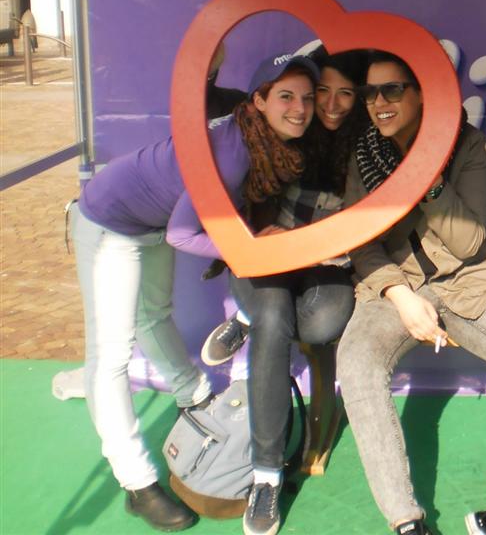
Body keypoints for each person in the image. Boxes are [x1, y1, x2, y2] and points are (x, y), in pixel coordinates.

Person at [70, 51, 318, 532]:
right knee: (111, 353)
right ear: (259, 101)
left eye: (307, 98)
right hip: (109, 221)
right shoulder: (234, 152)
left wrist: (251, 239)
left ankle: (194, 396)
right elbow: (183, 235)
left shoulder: (257, 136)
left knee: (154, 315)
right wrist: (251, 248)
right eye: (286, 96)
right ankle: (136, 483)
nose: (300, 108)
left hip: (148, 220)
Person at [336, 51, 486, 535]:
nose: (379, 102)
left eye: (392, 89)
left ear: (422, 93)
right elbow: (361, 242)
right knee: (356, 362)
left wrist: (426, 179)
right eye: (370, 93)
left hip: (470, 279)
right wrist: (399, 295)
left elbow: (469, 243)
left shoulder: (465, 143)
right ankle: (405, 521)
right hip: (396, 284)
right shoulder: (364, 155)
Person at [180, 49, 368, 535]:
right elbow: (209, 101)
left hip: (325, 264)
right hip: (267, 254)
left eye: (344, 93)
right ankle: (266, 475)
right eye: (319, 91)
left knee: (320, 325)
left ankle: (248, 319)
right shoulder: (275, 122)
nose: (326, 104)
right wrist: (210, 62)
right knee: (272, 318)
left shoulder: (367, 141)